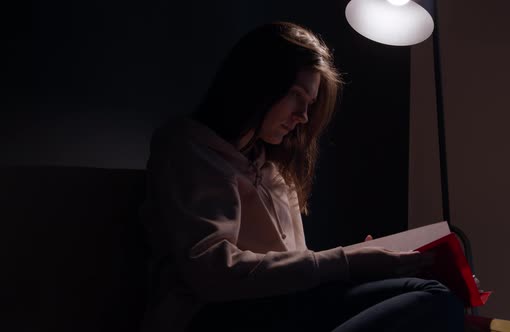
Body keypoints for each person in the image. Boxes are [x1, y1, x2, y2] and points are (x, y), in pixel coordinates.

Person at [139, 21, 465, 332]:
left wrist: (361, 263)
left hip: (282, 307)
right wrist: (345, 262)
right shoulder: (188, 149)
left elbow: (295, 268)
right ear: (258, 84)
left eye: (309, 103)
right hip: (216, 317)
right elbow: (212, 273)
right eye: (297, 95)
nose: (303, 116)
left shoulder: (273, 166)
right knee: (434, 303)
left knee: (434, 293)